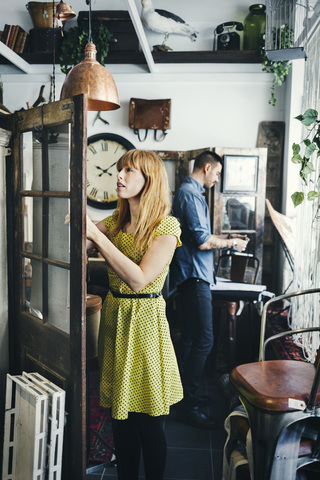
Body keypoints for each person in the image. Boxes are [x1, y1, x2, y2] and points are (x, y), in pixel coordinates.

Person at [85, 150, 183, 480]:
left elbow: (140, 280)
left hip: (145, 323)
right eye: (119, 170)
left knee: (148, 422)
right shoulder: (115, 221)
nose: (120, 176)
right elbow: (76, 241)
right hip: (115, 318)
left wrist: (96, 236)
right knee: (120, 419)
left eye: (129, 171)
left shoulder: (166, 227)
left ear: (149, 180)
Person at [170, 150, 249, 429]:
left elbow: (200, 238)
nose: (217, 179)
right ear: (206, 168)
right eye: (217, 173)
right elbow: (202, 241)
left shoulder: (190, 193)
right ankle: (187, 405)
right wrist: (231, 243)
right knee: (204, 340)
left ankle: (183, 399)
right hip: (194, 277)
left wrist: (227, 239)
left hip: (193, 276)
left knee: (192, 339)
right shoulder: (189, 194)